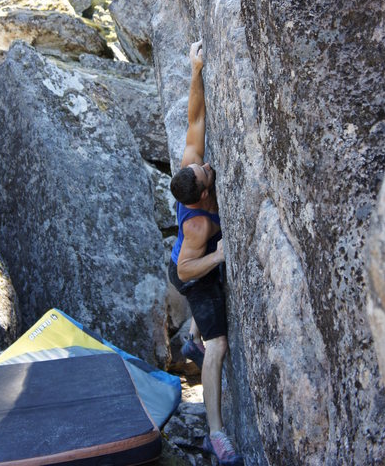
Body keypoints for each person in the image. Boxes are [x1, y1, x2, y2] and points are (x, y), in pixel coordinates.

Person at [169, 41, 243, 465]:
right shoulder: (197, 223)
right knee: (219, 346)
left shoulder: (191, 163)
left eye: (202, 167)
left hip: (196, 257)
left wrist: (195, 67)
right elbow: (184, 268)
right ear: (200, 194)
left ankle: (192, 341)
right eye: (205, 172)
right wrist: (219, 256)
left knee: (205, 337)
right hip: (191, 271)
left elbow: (195, 116)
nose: (207, 165)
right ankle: (216, 434)